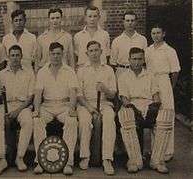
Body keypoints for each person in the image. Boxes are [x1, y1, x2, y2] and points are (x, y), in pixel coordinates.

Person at [118, 47, 173, 174]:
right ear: (129, 60)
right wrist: (133, 108)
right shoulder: (123, 76)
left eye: (139, 59)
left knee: (166, 115)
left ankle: (157, 161)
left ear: (143, 60)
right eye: (134, 59)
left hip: (148, 104)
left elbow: (156, 95)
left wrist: (155, 106)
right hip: (131, 104)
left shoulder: (150, 75)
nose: (137, 62)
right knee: (126, 115)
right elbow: (124, 98)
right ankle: (134, 160)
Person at [33, 42, 78, 175]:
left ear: (63, 54)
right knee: (37, 121)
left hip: (64, 106)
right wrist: (36, 110)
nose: (56, 56)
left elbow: (73, 92)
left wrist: (72, 108)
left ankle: (68, 162)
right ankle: (40, 161)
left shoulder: (69, 71)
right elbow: (37, 94)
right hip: (47, 106)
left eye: (59, 53)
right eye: (53, 54)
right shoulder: (42, 71)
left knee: (72, 121)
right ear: (49, 54)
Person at [0, 45, 35, 176]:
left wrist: (17, 111)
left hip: (23, 106)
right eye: (12, 55)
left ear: (21, 56)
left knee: (28, 121)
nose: (15, 58)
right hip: (6, 105)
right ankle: (1, 159)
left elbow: (30, 97)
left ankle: (20, 157)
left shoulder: (29, 73)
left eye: (17, 55)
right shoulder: (1, 74)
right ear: (8, 57)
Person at [77, 41, 117, 175]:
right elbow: (79, 95)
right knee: (84, 121)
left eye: (96, 50)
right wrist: (89, 108)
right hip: (86, 104)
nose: (94, 53)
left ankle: (107, 159)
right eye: (91, 51)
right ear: (86, 53)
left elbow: (113, 94)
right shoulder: (81, 70)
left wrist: (105, 89)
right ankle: (85, 156)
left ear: (101, 52)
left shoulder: (108, 69)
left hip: (104, 103)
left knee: (110, 119)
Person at [145, 23, 181, 161]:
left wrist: (169, 87)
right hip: (150, 82)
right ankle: (155, 149)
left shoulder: (169, 50)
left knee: (167, 114)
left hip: (164, 81)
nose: (155, 36)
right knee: (154, 115)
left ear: (163, 34)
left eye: (158, 33)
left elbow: (175, 71)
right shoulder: (148, 50)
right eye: (153, 33)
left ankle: (167, 152)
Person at [111, 11, 147, 76]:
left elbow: (144, 61)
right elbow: (113, 63)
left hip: (137, 72)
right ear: (123, 22)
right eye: (127, 20)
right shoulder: (116, 41)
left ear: (136, 22)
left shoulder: (142, 39)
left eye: (132, 20)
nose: (130, 23)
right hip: (122, 71)